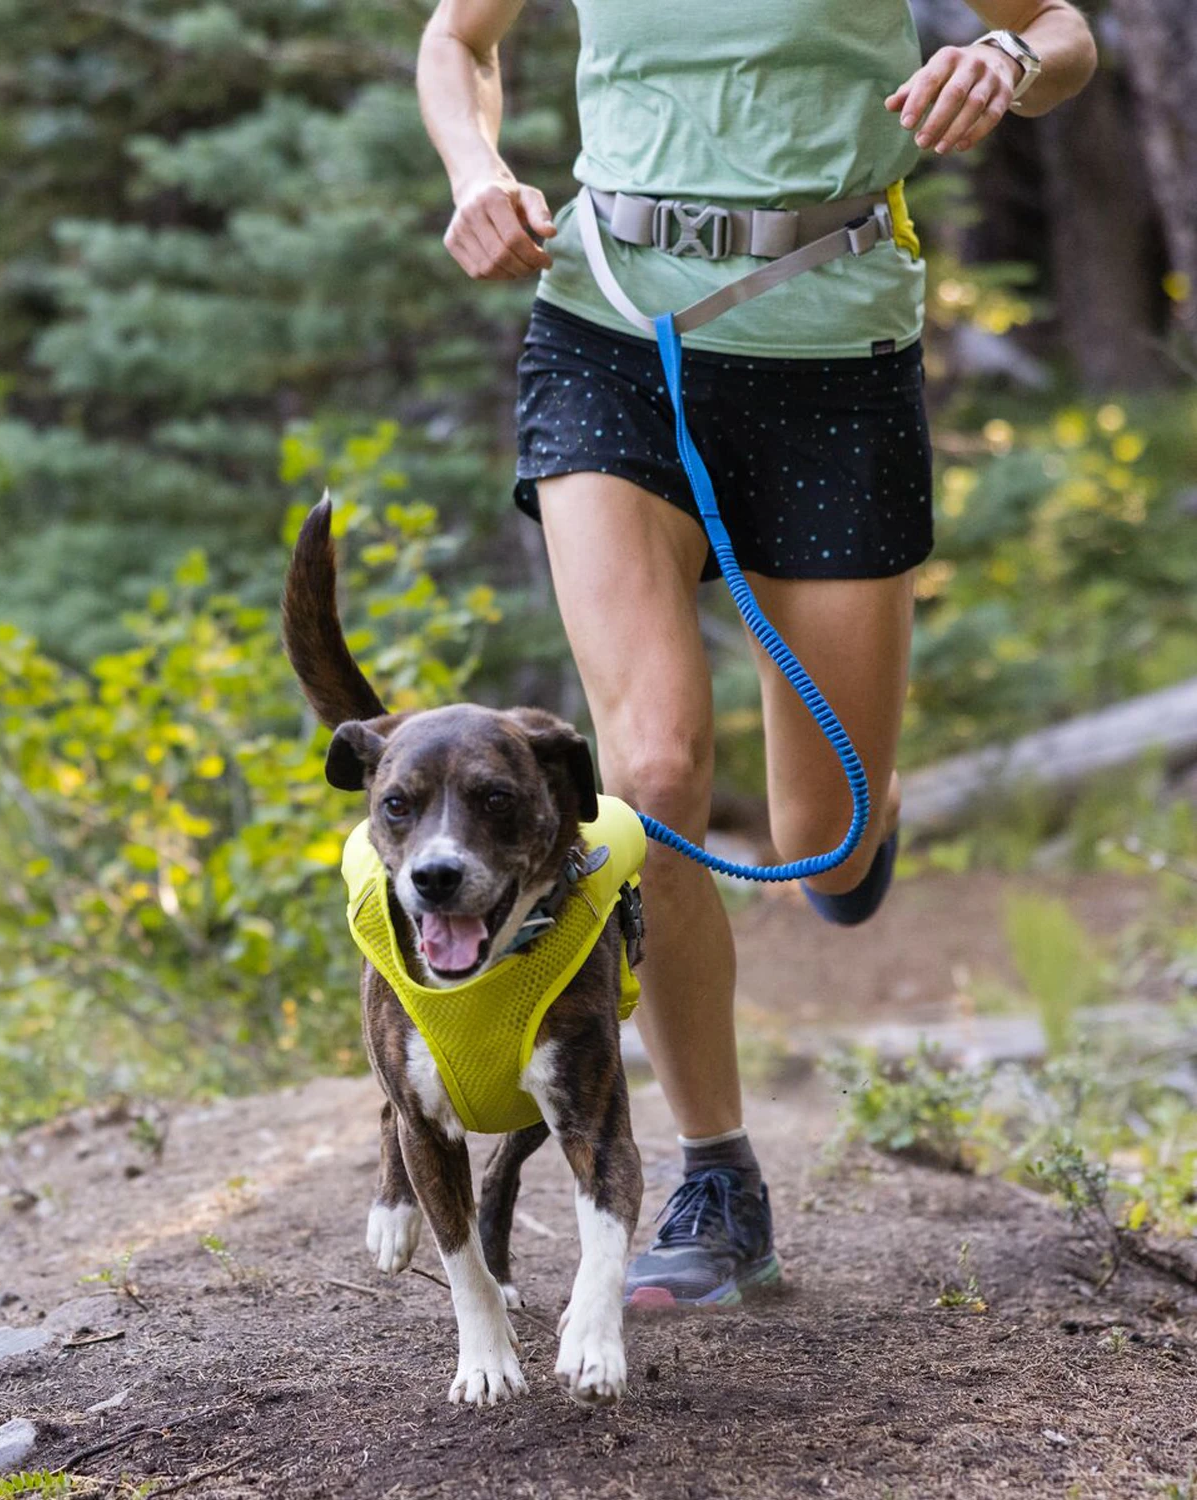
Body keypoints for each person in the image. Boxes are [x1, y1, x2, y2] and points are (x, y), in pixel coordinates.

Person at [417, 0, 1096, 1308]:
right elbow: (458, 40)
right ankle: (717, 1179)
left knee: (823, 842)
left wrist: (1007, 60)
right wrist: (475, 172)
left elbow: (1066, 34)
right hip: (611, 331)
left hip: (833, 357)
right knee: (654, 774)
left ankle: (858, 826)